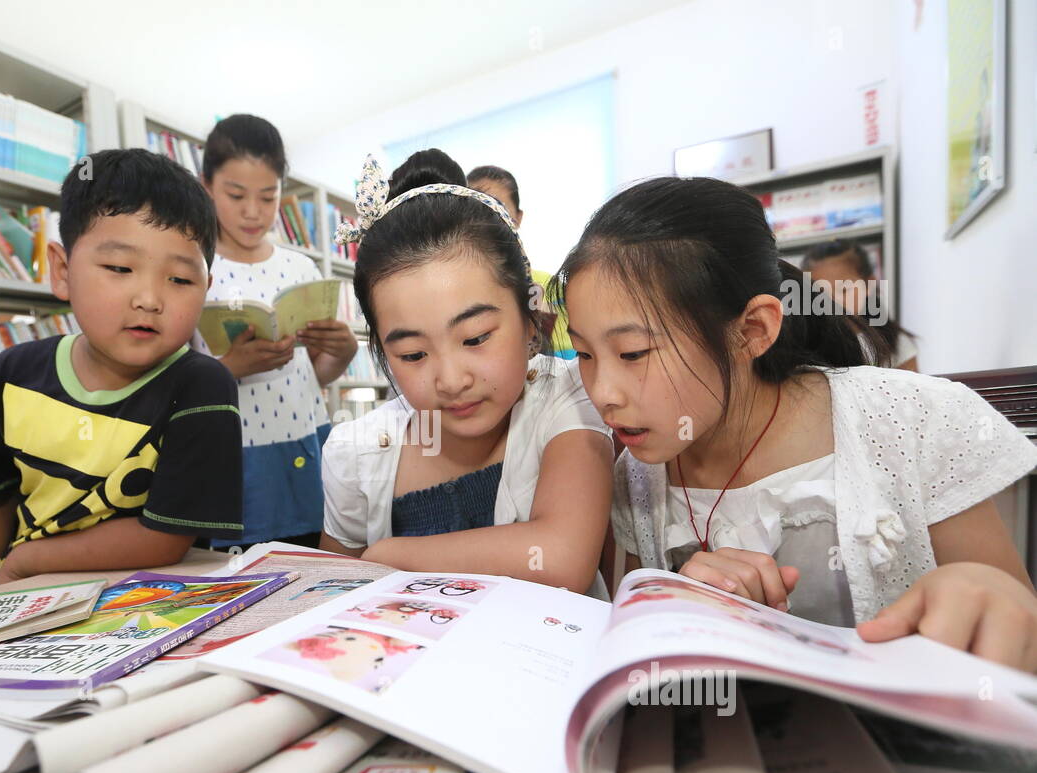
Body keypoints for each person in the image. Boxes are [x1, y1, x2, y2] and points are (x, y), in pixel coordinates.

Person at [558, 175, 1037, 670]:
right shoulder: (635, 478)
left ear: (753, 330)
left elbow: (1018, 641)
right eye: (585, 353)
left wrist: (984, 599)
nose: (603, 393)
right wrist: (674, 611)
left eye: (633, 352)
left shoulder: (911, 422)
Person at [319, 151, 611, 595]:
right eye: (413, 354)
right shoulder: (357, 454)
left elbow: (562, 558)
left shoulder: (565, 398)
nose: (451, 380)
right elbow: (331, 597)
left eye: (475, 338)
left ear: (530, 318)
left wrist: (386, 556)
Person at [0, 149, 242, 594]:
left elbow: (164, 540)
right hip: (20, 600)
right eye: (120, 269)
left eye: (180, 279)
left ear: (207, 286)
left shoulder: (202, 389)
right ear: (63, 271)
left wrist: (25, 561)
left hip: (140, 603)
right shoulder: (7, 377)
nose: (149, 298)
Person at [197, 114, 357, 547]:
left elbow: (306, 379)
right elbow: (180, 386)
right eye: (236, 195)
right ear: (206, 184)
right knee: (242, 580)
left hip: (304, 444)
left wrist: (338, 354)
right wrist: (229, 368)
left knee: (314, 565)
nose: (253, 212)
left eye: (268, 197)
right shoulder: (195, 269)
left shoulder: (301, 267)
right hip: (237, 457)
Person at [467, 164, 573, 359]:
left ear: (518, 217)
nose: (486, 220)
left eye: (497, 209)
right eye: (475, 209)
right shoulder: (451, 292)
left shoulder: (550, 288)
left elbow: (570, 362)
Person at [801, 238, 917, 370]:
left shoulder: (895, 342)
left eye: (844, 289)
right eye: (820, 293)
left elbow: (916, 389)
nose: (832, 301)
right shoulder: (807, 349)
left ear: (869, 285)